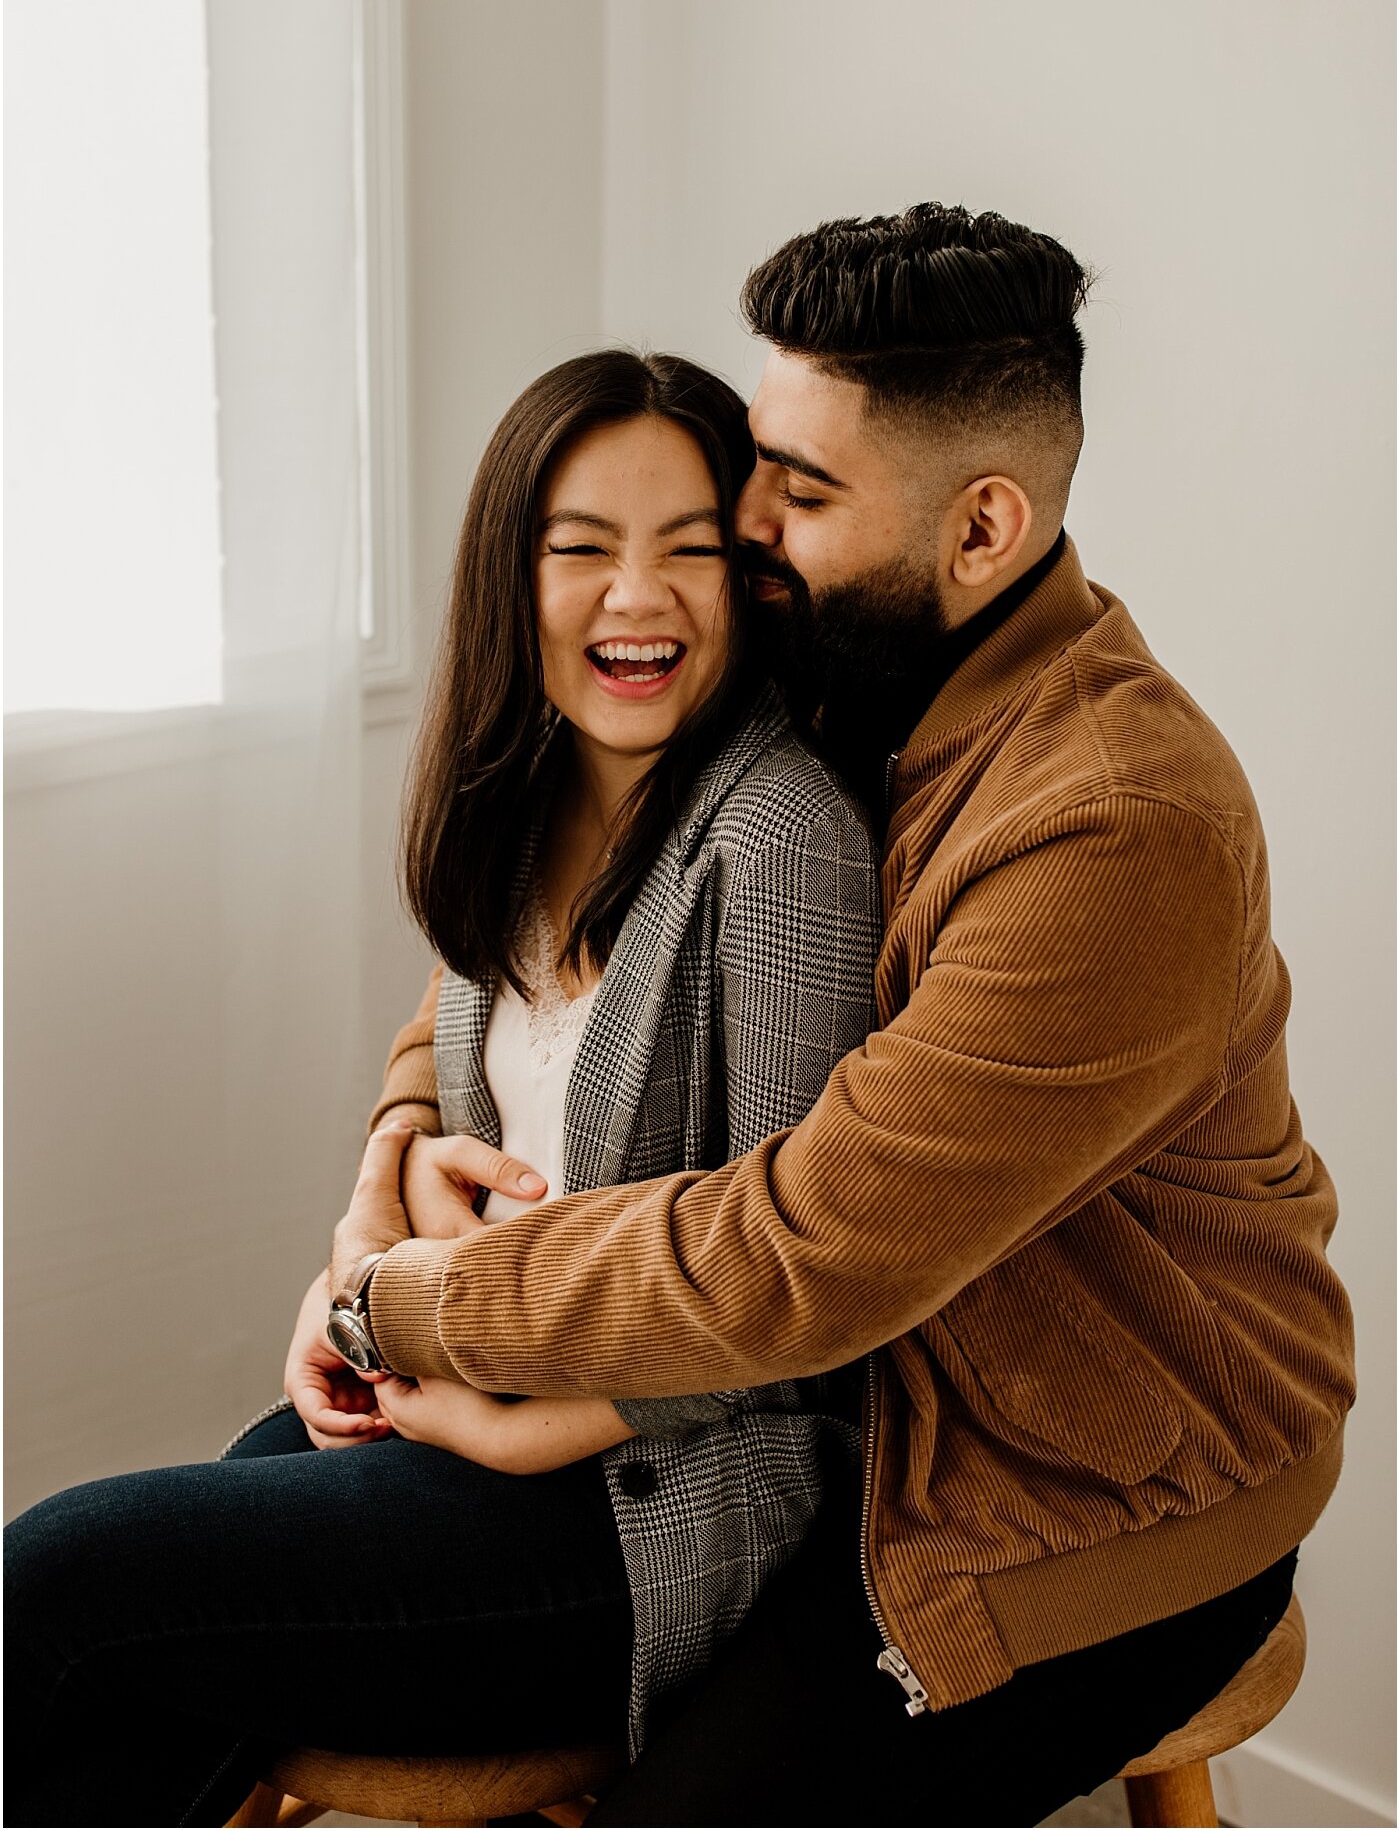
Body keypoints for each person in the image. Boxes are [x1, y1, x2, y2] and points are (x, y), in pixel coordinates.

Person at [335, 205, 1357, 1826]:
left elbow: (799, 1256)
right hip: (844, 1397)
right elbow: (558, 918)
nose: (738, 527)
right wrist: (401, 1131)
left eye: (799, 492)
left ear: (981, 528)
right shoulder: (835, 664)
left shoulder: (1115, 823)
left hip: (1089, 1502)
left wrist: (398, 1306)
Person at [3, 350, 881, 1828]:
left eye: (689, 552)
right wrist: (354, 1275)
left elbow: (805, 1306)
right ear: (510, 577)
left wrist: (527, 1421)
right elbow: (463, 1112)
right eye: (583, 551)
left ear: (747, 580)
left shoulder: (777, 837)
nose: (638, 600)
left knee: (56, 1582)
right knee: (107, 1698)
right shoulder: (523, 803)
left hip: (627, 1512)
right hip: (451, 1406)